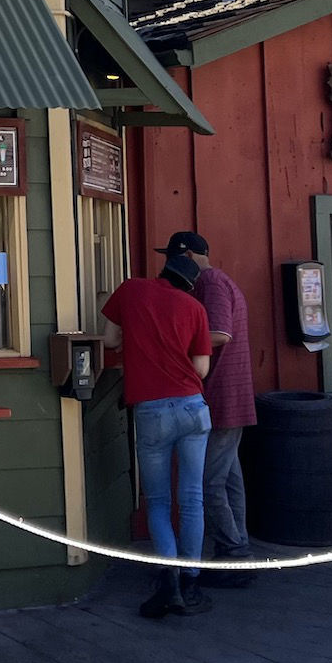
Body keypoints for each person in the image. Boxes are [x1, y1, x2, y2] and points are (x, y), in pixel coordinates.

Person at [99, 253, 215, 619]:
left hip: (152, 409)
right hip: (193, 407)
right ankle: (192, 578)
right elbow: (201, 366)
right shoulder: (194, 308)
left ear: (163, 272)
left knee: (159, 501)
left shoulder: (131, 290)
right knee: (193, 499)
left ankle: (169, 581)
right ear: (189, 284)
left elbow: (110, 338)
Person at [155, 231, 256, 586]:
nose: (168, 265)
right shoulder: (219, 280)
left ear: (188, 255)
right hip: (230, 394)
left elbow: (219, 334)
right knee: (229, 480)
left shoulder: (211, 282)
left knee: (207, 483)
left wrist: (170, 343)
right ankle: (237, 550)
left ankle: (233, 552)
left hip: (222, 395)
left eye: (172, 257)